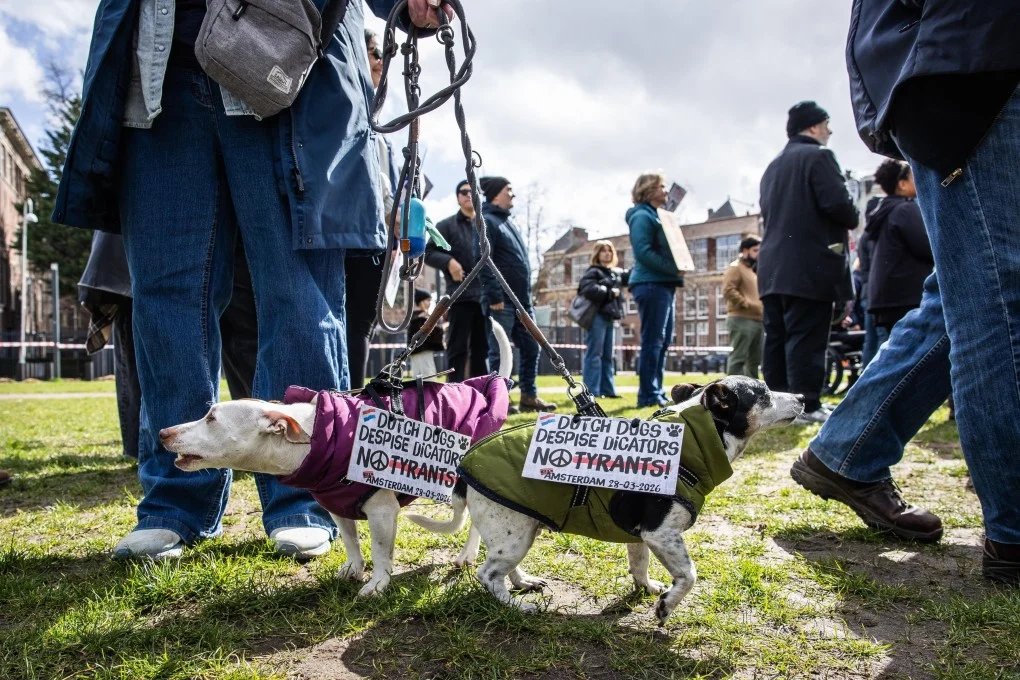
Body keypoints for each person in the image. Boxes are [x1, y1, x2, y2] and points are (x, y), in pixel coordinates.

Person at [52, 0, 450, 560]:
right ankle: (173, 503)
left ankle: (305, 497)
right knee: (165, 297)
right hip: (157, 74)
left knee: (298, 296)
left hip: (288, 71)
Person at [792, 1, 1020, 584]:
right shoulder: (834, 175)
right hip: (976, 69)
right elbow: (854, 220)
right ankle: (1014, 532)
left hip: (961, 65)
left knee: (973, 290)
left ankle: (847, 449)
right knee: (997, 295)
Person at [758, 101, 860, 423]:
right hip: (809, 265)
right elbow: (840, 207)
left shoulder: (771, 167)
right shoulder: (820, 156)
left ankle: (776, 408)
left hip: (772, 267)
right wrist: (852, 202)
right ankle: (806, 405)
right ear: (814, 126)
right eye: (827, 123)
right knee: (808, 337)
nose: (830, 130)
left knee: (776, 337)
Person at [345, 28, 399, 390]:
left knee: (362, 323)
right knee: (347, 321)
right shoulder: (348, 114)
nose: (380, 61)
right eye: (373, 52)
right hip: (349, 227)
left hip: (377, 234)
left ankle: (351, 397)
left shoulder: (381, 123)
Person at [476, 176, 558, 412]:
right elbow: (483, 260)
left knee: (532, 347)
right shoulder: (487, 221)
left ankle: (529, 396)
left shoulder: (509, 223)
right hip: (501, 301)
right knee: (500, 351)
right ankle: (501, 399)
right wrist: (494, 295)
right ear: (496, 194)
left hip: (522, 302)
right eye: (508, 190)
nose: (513, 194)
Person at [626, 172, 684, 408]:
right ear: (648, 189)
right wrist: (674, 268)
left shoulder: (658, 215)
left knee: (663, 339)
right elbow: (643, 252)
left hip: (663, 284)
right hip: (651, 284)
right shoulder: (641, 216)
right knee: (653, 341)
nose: (666, 191)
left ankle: (656, 390)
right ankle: (648, 394)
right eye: (661, 186)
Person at [425, 180, 489, 382]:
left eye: (473, 191)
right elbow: (428, 252)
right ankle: (453, 394)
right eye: (464, 192)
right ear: (457, 197)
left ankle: (481, 395)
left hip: (486, 296)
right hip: (460, 296)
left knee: (483, 349)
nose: (469, 195)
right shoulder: (446, 225)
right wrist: (449, 261)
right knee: (457, 348)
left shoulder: (487, 226)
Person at [864, 160, 932, 332]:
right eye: (912, 177)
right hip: (906, 295)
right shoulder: (905, 209)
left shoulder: (883, 211)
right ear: (902, 184)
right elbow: (927, 246)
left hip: (886, 296)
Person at [578, 240, 628, 398]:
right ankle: (591, 391)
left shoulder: (614, 273)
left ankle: (608, 390)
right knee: (594, 354)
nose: (607, 253)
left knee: (608, 356)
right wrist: (609, 292)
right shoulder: (593, 271)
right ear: (597, 254)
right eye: (603, 251)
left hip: (610, 317)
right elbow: (587, 289)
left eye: (610, 251)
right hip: (597, 317)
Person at [723, 235, 763, 378]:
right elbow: (728, 290)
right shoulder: (735, 268)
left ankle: (753, 392)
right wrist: (744, 303)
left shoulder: (752, 271)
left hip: (757, 320)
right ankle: (732, 391)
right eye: (755, 250)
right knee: (738, 358)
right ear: (745, 250)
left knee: (754, 360)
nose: (759, 253)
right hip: (741, 319)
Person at [857, 196, 888, 367]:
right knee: (883, 336)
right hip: (878, 291)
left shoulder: (865, 236)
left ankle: (866, 374)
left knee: (871, 338)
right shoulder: (877, 234)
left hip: (867, 291)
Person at [406, 288, 445, 377]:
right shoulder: (421, 317)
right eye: (428, 300)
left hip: (417, 352)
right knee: (428, 378)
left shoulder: (414, 317)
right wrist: (441, 328)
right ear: (421, 301)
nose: (429, 303)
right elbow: (432, 334)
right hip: (423, 352)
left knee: (417, 380)